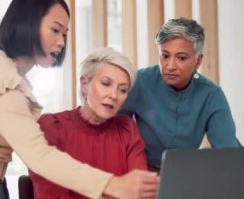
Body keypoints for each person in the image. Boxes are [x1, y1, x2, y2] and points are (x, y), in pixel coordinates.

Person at [0, 0, 158, 199]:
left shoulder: (15, 80)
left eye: (64, 33)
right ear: (28, 24)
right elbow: (40, 157)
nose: (61, 42)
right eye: (55, 30)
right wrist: (112, 184)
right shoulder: (4, 84)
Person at [29, 47, 153, 199]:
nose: (114, 95)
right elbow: (51, 195)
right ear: (84, 84)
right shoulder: (52, 126)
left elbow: (140, 191)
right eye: (106, 84)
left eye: (122, 90)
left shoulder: (126, 128)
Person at [119, 17, 240, 171]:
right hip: (139, 172)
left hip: (185, 176)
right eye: (165, 55)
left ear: (197, 61)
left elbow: (227, 150)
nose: (170, 66)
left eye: (181, 58)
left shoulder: (211, 95)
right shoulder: (140, 82)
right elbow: (115, 132)